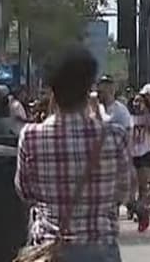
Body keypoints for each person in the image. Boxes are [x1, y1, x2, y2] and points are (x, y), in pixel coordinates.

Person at [15, 46, 133, 262]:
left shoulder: (30, 137)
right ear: (89, 89)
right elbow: (123, 192)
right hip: (100, 249)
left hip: (51, 250)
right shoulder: (115, 136)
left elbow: (25, 192)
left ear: (52, 90)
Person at [128, 93, 150, 231]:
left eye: (140, 101)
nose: (137, 104)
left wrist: (146, 114)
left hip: (145, 152)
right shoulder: (130, 117)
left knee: (143, 185)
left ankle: (141, 209)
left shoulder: (148, 116)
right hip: (132, 153)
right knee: (133, 183)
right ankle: (134, 207)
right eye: (135, 101)